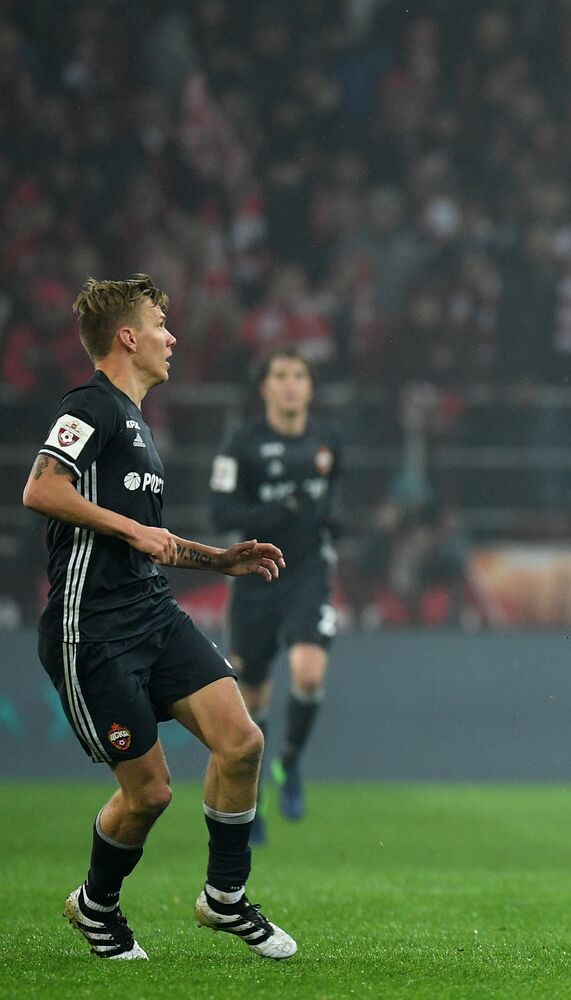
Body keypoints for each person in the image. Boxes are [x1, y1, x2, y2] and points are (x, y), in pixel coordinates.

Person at [22, 274, 297, 960]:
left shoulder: (138, 422)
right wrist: (127, 527)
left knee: (242, 741)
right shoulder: (89, 404)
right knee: (148, 794)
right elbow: (40, 487)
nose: (171, 337)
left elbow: (151, 542)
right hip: (92, 630)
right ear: (127, 337)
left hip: (151, 611)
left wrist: (220, 562)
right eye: (159, 324)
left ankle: (225, 900)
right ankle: (97, 906)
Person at [210, 347, 341, 838]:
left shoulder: (330, 441)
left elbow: (333, 502)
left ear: (310, 387)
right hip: (257, 576)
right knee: (255, 691)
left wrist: (332, 521)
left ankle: (290, 762)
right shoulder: (240, 444)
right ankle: (257, 787)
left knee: (308, 673)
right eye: (280, 375)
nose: (290, 385)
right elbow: (221, 515)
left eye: (299, 376)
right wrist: (278, 513)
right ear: (264, 387)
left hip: (309, 571)